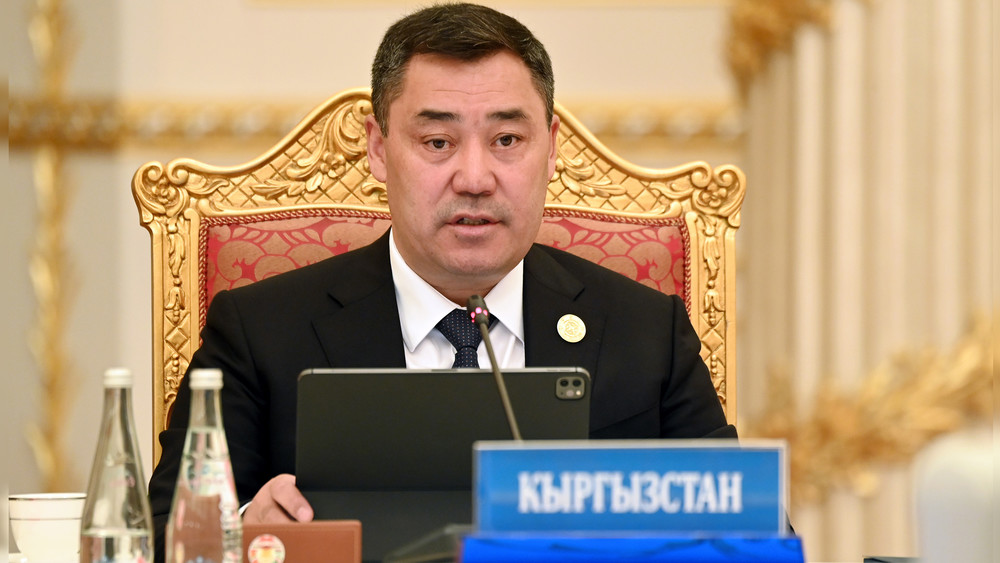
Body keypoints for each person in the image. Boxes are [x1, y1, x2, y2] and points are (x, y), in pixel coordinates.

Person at [148, 2, 735, 560]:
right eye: (437, 142)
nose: (475, 178)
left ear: (551, 148)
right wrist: (240, 533)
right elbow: (157, 534)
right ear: (379, 150)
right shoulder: (260, 331)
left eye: (507, 140)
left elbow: (743, 532)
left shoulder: (646, 331)